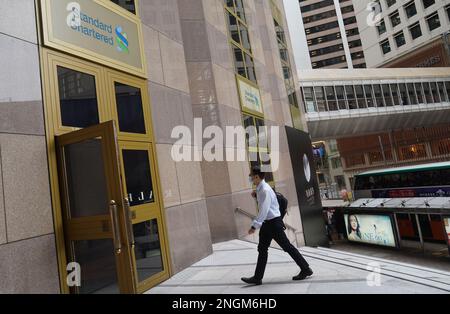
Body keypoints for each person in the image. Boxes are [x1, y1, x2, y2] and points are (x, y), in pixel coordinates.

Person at [241, 166, 313, 286]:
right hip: (268, 223)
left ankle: (305, 269)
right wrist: (256, 194)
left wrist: (254, 226)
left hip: (273, 224)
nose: (250, 178)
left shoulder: (264, 190)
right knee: (262, 249)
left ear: (257, 177)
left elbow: (264, 210)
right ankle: (257, 277)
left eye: (251, 176)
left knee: (287, 247)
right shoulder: (261, 188)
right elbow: (265, 202)